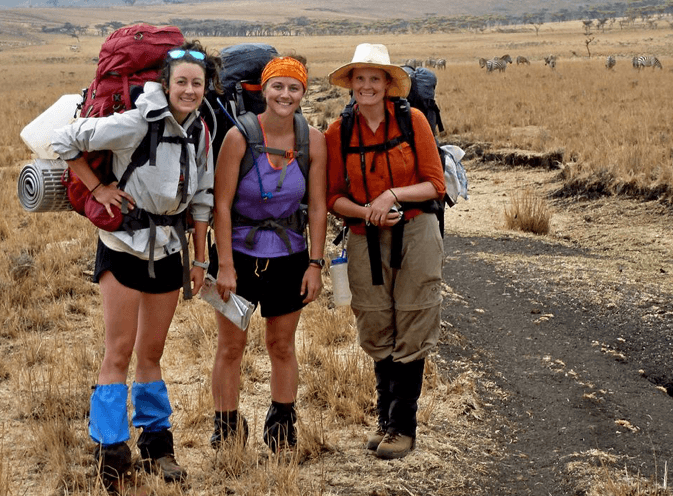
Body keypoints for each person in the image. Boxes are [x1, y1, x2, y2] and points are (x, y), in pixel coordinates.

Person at [51, 40, 221, 489]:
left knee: (152, 354)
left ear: (206, 88)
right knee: (119, 352)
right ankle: (111, 451)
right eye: (180, 81)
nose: (188, 90)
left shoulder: (201, 130)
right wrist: (96, 188)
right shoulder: (134, 122)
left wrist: (200, 257)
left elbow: (201, 198)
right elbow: (64, 140)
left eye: (196, 84)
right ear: (164, 84)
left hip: (169, 250)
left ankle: (157, 446)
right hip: (122, 245)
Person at [324, 43, 446, 460]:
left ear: (388, 84)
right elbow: (332, 196)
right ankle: (385, 421)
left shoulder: (411, 121)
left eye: (375, 78)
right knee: (375, 321)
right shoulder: (338, 131)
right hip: (364, 237)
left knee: (414, 315)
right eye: (360, 78)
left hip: (416, 230)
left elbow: (436, 185)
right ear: (351, 84)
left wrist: (391, 195)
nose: (366, 86)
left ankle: (402, 427)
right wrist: (366, 211)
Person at [208, 56, 327, 454]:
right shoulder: (238, 137)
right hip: (238, 258)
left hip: (290, 257)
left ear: (303, 93)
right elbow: (221, 206)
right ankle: (226, 429)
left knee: (281, 345)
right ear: (264, 89)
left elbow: (318, 207)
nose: (285, 94)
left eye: (294, 88)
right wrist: (224, 266)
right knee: (230, 347)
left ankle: (281, 427)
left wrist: (315, 263)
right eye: (278, 86)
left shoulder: (313, 141)